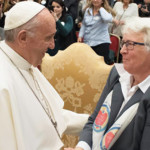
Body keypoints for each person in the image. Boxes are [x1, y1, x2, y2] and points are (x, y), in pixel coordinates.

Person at [0, 1, 89, 150]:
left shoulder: (25, 62)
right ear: (23, 38)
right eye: (48, 38)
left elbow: (52, 117)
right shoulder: (3, 85)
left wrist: (97, 122)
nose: (53, 45)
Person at [64, 16, 150, 150]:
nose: (122, 51)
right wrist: (82, 147)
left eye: (130, 44)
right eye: (123, 43)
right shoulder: (118, 74)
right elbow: (94, 120)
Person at [77, 0, 117, 65]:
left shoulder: (105, 11)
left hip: (101, 43)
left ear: (102, 1)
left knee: (101, 65)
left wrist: (100, 9)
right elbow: (84, 24)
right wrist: (80, 36)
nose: (95, 0)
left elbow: (107, 19)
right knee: (89, 64)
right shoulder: (87, 10)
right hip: (88, 43)